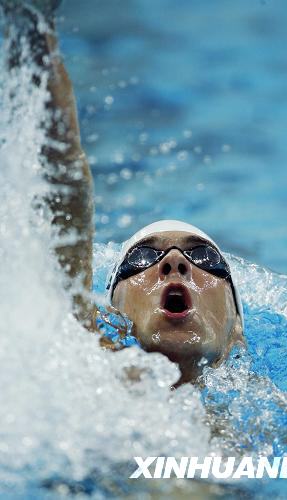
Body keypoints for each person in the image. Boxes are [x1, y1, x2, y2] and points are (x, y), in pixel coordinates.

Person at [1, 0, 244, 384]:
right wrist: (34, 26)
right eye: (143, 257)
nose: (176, 262)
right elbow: (64, 194)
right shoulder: (80, 378)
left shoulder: (280, 429)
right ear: (109, 314)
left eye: (205, 257)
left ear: (237, 333)